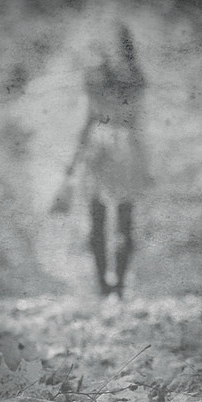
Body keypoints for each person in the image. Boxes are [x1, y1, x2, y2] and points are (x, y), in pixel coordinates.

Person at [54, 22, 150, 298]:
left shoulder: (113, 78)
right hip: (115, 147)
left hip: (111, 146)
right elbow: (98, 118)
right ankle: (111, 287)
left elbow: (97, 119)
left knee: (115, 219)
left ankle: (112, 287)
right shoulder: (126, 78)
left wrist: (75, 161)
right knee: (108, 219)